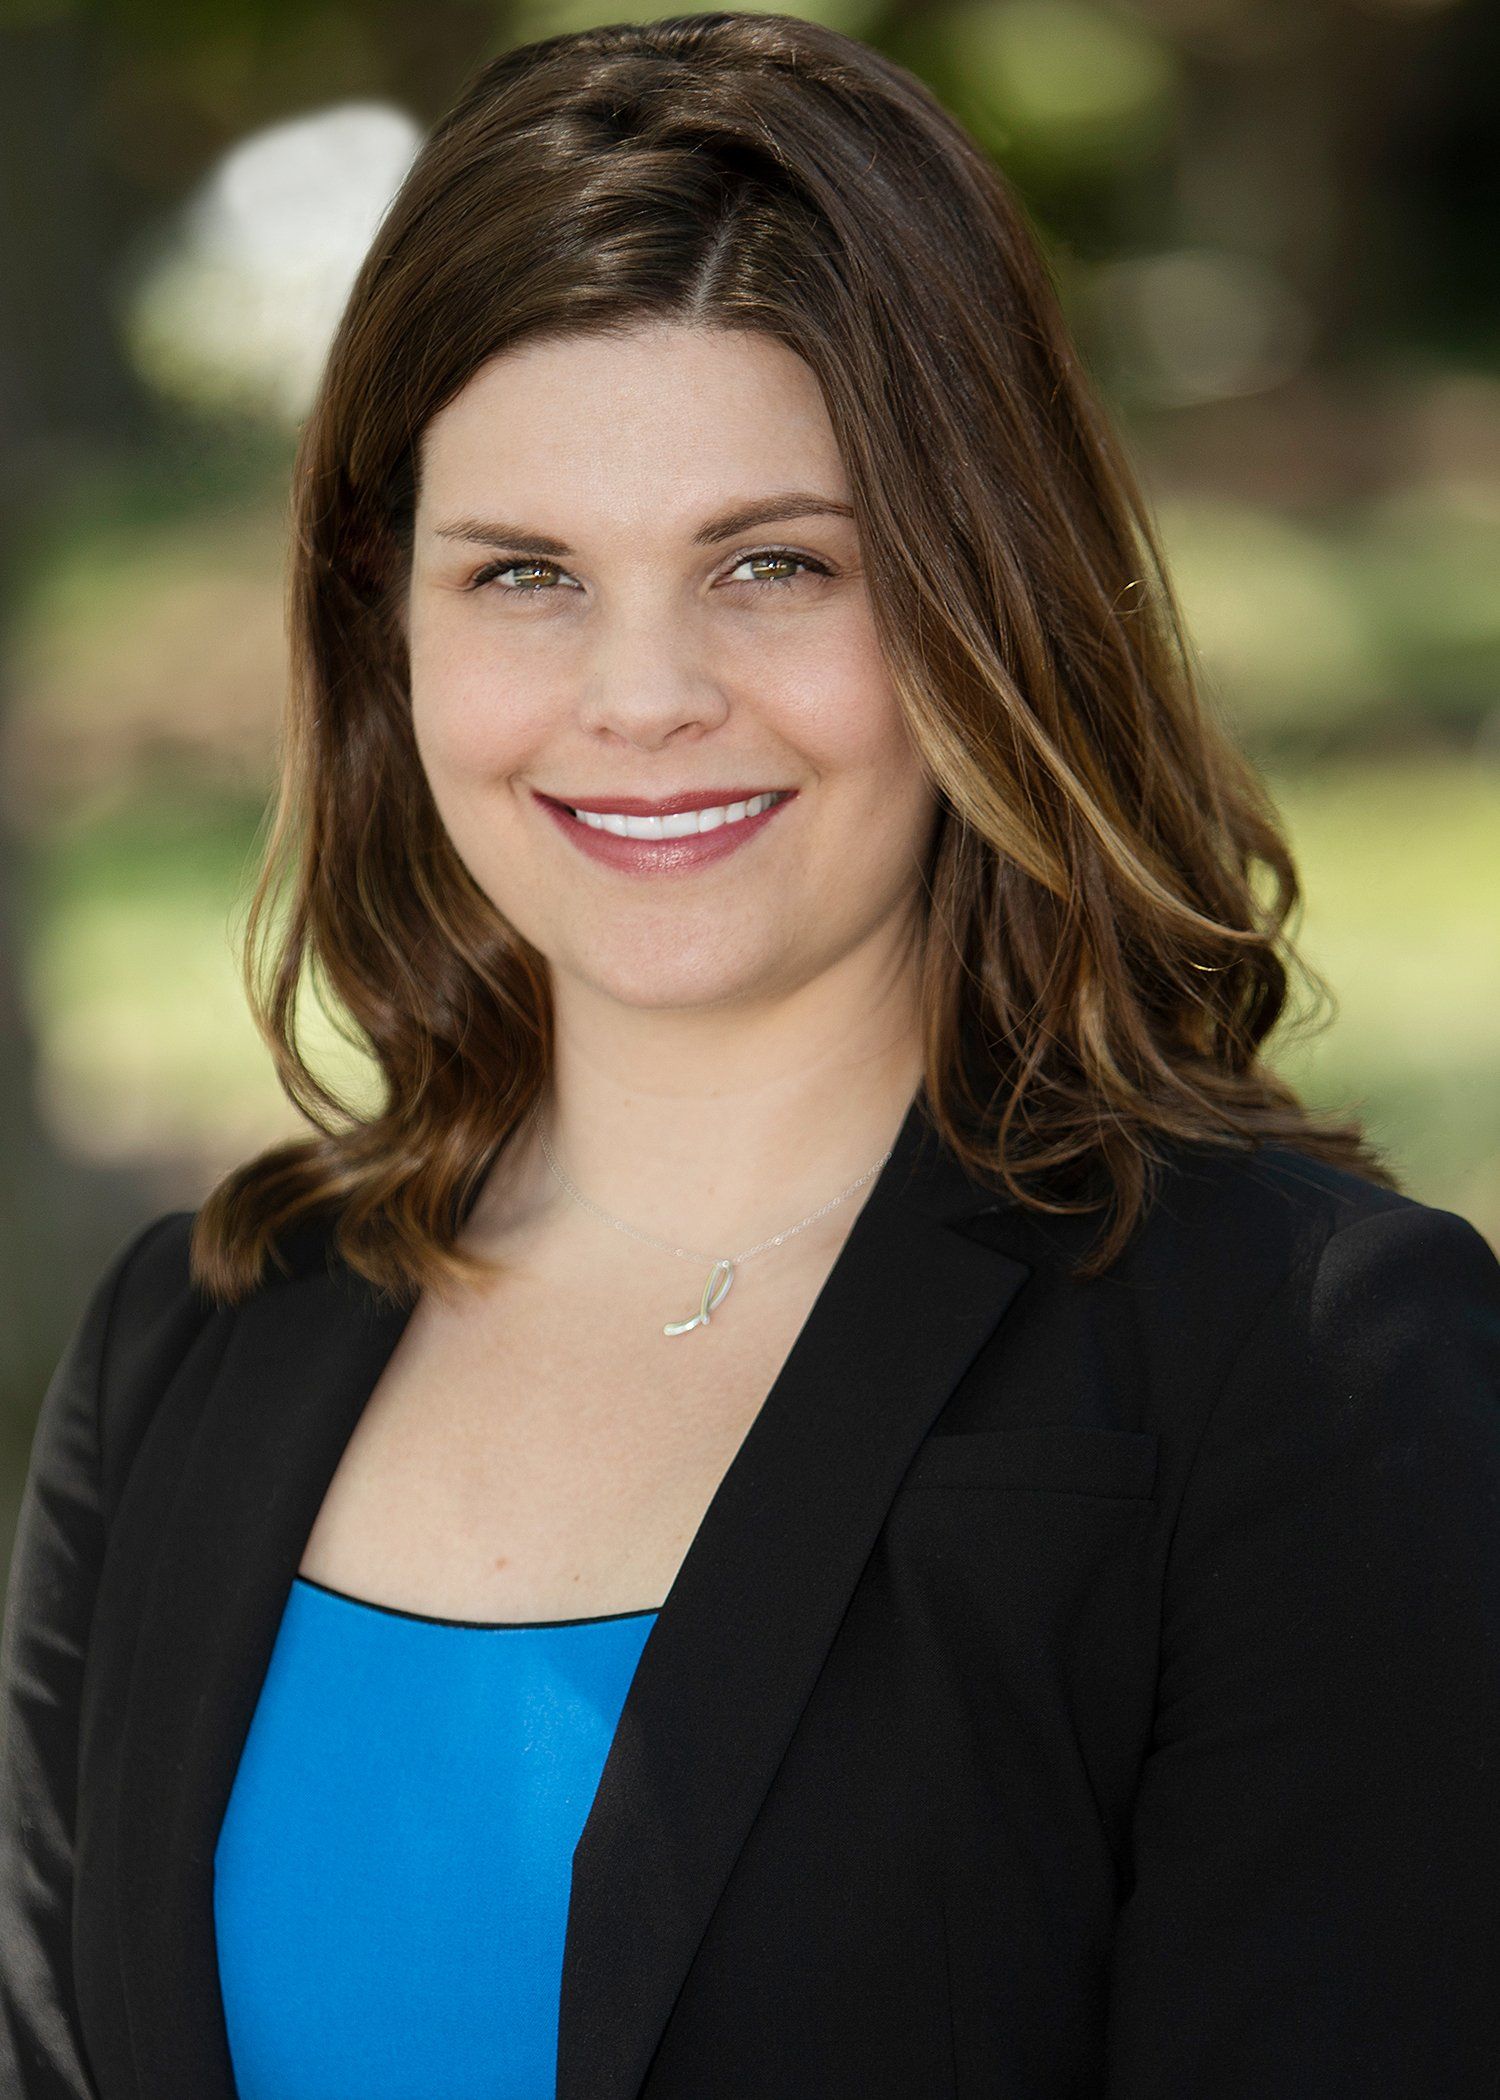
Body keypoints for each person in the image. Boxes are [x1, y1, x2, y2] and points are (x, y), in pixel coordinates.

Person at [3, 12, 1498, 2098]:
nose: (644, 697)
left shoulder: (1308, 1367)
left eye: (773, 564)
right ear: (387, 622)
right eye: (524, 573)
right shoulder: (190, 1346)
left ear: (985, 598)